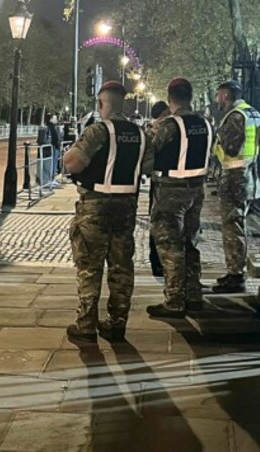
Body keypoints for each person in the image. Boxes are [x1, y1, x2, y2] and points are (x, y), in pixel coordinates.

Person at [64, 81, 151, 342]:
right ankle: (117, 322)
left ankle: (86, 323)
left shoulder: (97, 132)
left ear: (102, 103)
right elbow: (147, 167)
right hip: (126, 206)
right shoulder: (140, 134)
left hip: (95, 204)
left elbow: (73, 163)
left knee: (89, 265)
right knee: (121, 265)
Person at [145, 78, 213, 319]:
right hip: (197, 188)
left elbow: (148, 152)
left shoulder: (169, 125)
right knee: (190, 242)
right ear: (191, 96)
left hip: (171, 189)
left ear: (170, 97)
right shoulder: (205, 123)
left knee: (169, 245)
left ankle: (174, 300)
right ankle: (194, 294)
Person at [211, 80, 260, 293]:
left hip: (235, 177)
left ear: (225, 95)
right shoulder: (253, 113)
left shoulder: (235, 116)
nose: (216, 100)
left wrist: (219, 135)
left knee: (233, 227)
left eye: (218, 95)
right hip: (249, 174)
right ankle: (235, 272)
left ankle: (235, 274)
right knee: (238, 224)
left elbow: (231, 148)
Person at [146, 100, 171, 278]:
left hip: (160, 181)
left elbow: (149, 151)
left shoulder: (159, 127)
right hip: (187, 183)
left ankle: (158, 264)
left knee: (158, 223)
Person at [48, 114, 62, 188]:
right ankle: (52, 179)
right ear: (51, 119)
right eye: (55, 118)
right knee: (53, 163)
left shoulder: (53, 126)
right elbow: (55, 137)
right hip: (54, 147)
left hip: (55, 147)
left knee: (54, 163)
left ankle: (53, 179)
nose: (56, 120)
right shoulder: (52, 127)